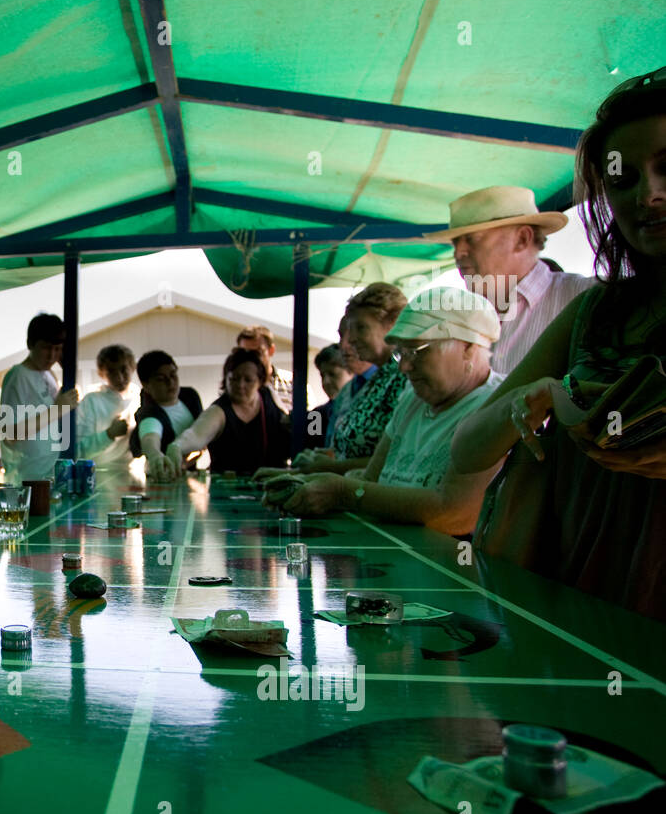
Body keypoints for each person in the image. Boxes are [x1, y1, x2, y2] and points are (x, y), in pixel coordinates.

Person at [450, 67, 666, 620]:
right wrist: (545, 396)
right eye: (622, 179)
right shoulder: (595, 311)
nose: (650, 195)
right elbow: (469, 447)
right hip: (577, 585)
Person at [267, 287, 504, 536]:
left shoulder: (494, 405)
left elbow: (453, 514)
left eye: (415, 351)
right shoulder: (412, 398)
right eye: (401, 352)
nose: (404, 367)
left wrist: (340, 492)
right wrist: (300, 482)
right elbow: (370, 479)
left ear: (467, 347)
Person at [423, 185, 593, 375]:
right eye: (456, 243)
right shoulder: (460, 317)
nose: (458, 253)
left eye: (472, 239)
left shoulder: (589, 298)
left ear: (522, 239)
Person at [291, 283, 409, 474]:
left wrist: (330, 467)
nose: (351, 340)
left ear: (392, 324)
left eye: (361, 328)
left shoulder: (406, 379)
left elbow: (396, 458)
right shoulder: (373, 382)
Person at [166, 349, 291, 475]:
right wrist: (176, 447)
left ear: (259, 382)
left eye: (248, 380)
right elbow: (195, 435)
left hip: (272, 484)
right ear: (226, 378)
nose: (240, 385)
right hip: (229, 488)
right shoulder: (218, 411)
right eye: (234, 379)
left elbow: (288, 425)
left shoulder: (269, 396)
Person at [0, 313, 79, 481]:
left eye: (57, 349)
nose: (51, 356)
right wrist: (56, 411)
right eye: (46, 348)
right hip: (26, 479)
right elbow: (8, 433)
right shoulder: (17, 376)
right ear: (30, 344)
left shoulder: (50, 375)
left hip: (51, 476)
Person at [129, 350, 203, 480]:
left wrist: (184, 464)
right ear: (146, 385)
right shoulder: (149, 414)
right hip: (161, 477)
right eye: (161, 379)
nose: (170, 382)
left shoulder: (190, 396)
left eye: (173, 375)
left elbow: (203, 434)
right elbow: (150, 437)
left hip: (189, 474)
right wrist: (155, 456)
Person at [75, 344, 136, 473]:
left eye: (123, 370)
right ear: (101, 373)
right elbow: (78, 450)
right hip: (98, 473)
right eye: (111, 372)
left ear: (132, 367)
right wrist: (108, 435)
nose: (119, 377)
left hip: (131, 472)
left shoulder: (140, 399)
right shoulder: (91, 402)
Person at [302, 343, 352, 449]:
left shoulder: (362, 411)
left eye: (332, 374)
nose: (326, 381)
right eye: (322, 375)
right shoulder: (316, 416)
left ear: (351, 373)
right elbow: (310, 449)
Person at [236, 325, 292, 409]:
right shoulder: (234, 385)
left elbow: (309, 418)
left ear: (271, 350)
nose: (251, 358)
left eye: (258, 352)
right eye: (244, 353)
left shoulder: (293, 383)